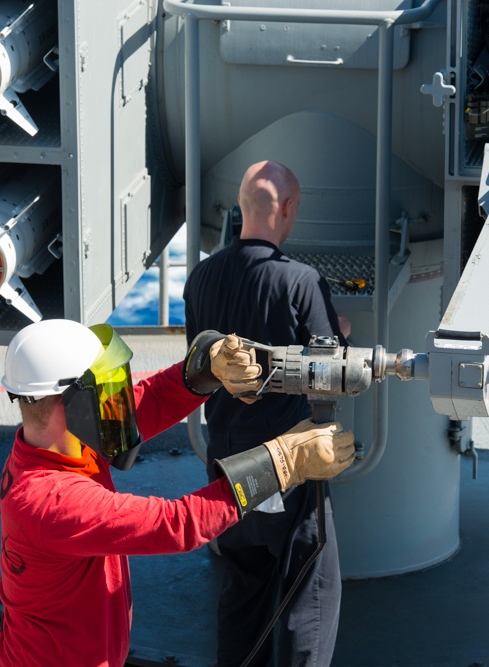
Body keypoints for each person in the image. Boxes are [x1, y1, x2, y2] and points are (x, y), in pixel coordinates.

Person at [0, 318, 355, 667]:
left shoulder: (55, 443)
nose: (113, 397)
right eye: (103, 387)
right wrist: (283, 462)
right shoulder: (49, 500)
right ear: (74, 400)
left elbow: (150, 400)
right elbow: (176, 524)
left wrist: (209, 366)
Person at [182, 160, 347, 666]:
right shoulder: (301, 282)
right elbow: (329, 372)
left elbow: (198, 365)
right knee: (311, 590)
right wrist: (342, 339)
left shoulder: (201, 278)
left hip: (225, 464)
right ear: (288, 209)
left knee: (243, 590)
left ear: (241, 207)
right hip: (285, 468)